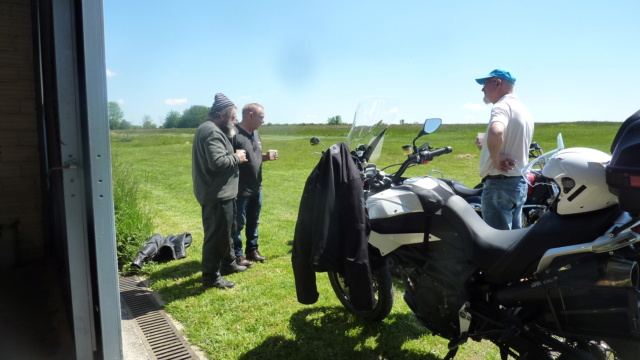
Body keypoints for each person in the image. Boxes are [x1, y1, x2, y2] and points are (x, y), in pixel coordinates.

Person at [192, 93, 249, 289]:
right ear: (221, 115)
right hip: (216, 195)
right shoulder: (213, 132)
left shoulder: (211, 129)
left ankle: (229, 264)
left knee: (227, 232)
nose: (235, 122)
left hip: (220, 193)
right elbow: (217, 162)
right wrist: (237, 157)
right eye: (232, 118)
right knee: (216, 238)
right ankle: (211, 277)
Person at [475, 69, 534, 230]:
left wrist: (495, 159)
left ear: (498, 83)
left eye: (485, 84)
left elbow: (497, 131)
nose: (482, 89)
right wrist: (487, 147)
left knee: (498, 242)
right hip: (518, 183)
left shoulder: (501, 106)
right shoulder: (523, 109)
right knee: (512, 240)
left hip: (499, 185)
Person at [231, 103, 277, 266]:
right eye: (261, 117)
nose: (263, 120)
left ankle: (252, 250)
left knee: (253, 221)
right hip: (240, 189)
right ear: (250, 115)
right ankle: (237, 254)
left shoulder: (256, 133)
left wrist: (265, 157)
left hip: (256, 187)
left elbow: (252, 156)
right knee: (238, 223)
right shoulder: (233, 133)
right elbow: (228, 160)